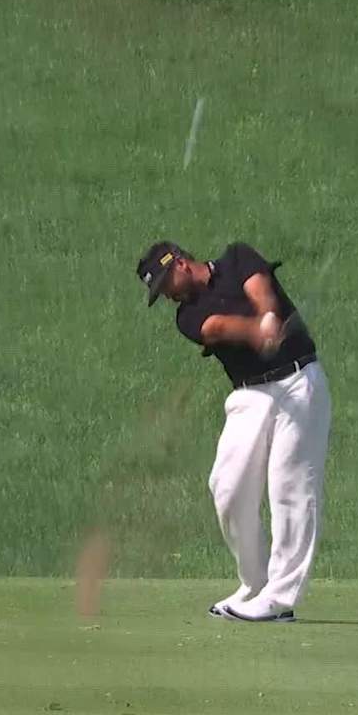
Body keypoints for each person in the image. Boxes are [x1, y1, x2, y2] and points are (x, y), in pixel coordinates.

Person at [135, 241, 332, 622]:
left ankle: (279, 599)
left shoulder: (236, 257)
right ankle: (255, 584)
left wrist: (268, 316)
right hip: (250, 396)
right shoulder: (187, 316)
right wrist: (254, 330)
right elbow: (217, 326)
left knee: (290, 489)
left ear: (178, 261)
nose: (169, 294)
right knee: (227, 487)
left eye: (166, 283)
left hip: (298, 382)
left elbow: (259, 287)